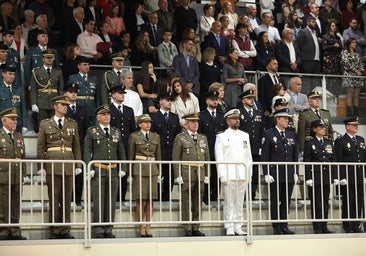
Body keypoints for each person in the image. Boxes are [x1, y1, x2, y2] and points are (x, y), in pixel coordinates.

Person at [37, 95, 82, 239]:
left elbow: (76, 145)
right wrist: (41, 166)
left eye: (66, 105)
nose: (65, 107)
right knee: (54, 198)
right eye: (62, 105)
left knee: (66, 198)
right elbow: (41, 147)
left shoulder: (72, 124)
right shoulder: (45, 124)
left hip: (68, 163)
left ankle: (65, 229)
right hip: (52, 163)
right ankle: (55, 229)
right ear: (55, 106)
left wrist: (78, 162)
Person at [84, 104, 126, 238]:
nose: (107, 116)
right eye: (104, 114)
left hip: (112, 170)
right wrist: (88, 167)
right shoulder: (92, 131)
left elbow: (121, 151)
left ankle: (108, 228)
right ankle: (98, 228)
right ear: (98, 117)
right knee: (98, 200)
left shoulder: (116, 131)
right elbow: (87, 151)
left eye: (108, 114)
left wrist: (123, 168)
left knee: (111, 201)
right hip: (98, 169)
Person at [261, 108, 299, 235]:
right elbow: (265, 156)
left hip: (288, 173)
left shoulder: (291, 134)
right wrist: (266, 173)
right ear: (277, 119)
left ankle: (284, 224)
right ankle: (276, 225)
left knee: (286, 200)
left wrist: (295, 172)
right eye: (284, 118)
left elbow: (295, 156)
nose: (287, 120)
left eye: (287, 118)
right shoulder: (269, 134)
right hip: (275, 173)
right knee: (275, 200)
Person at [215, 108, 252, 236]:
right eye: (234, 119)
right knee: (229, 201)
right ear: (228, 120)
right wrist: (222, 175)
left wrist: (249, 173)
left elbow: (248, 157)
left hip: (242, 173)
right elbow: (219, 157)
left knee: (240, 201)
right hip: (229, 173)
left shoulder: (244, 135)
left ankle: (238, 225)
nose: (237, 120)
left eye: (238, 119)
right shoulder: (221, 136)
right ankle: (229, 226)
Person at [172, 113, 209, 237]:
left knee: (198, 200)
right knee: (186, 201)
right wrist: (178, 175)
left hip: (200, 172)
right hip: (187, 172)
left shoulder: (203, 138)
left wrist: (207, 174)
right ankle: (187, 226)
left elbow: (207, 158)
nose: (195, 124)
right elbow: (176, 158)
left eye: (197, 122)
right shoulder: (181, 137)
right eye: (192, 122)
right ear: (186, 124)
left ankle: (196, 226)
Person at [128, 114, 161, 237]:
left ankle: (148, 225)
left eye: (149, 122)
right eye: (145, 122)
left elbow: (158, 155)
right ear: (140, 124)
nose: (148, 124)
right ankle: (141, 226)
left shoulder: (155, 136)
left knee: (150, 199)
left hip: (152, 169)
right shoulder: (134, 136)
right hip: (139, 168)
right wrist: (130, 173)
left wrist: (159, 171)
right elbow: (131, 155)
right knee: (140, 199)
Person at [304, 119, 336, 234]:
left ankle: (324, 226)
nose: (323, 129)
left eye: (324, 127)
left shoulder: (329, 142)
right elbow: (307, 161)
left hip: (326, 176)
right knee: (316, 202)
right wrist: (308, 177)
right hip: (315, 176)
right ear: (314, 129)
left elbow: (333, 160)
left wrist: (335, 176)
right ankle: (317, 227)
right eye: (321, 127)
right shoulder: (310, 143)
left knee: (325, 202)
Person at [334, 116, 366, 233]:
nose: (356, 127)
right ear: (347, 126)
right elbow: (338, 160)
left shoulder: (361, 139)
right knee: (349, 200)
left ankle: (356, 223)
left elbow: (364, 158)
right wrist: (341, 176)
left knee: (359, 200)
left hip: (359, 175)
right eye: (354, 125)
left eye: (357, 125)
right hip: (348, 176)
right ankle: (347, 224)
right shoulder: (340, 141)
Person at [0, 108, 26, 240]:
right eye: (12, 119)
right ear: (4, 120)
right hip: (3, 176)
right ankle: (3, 231)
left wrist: (24, 174)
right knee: (3, 205)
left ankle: (15, 231)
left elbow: (23, 157)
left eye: (16, 119)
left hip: (17, 175)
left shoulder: (18, 136)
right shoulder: (0, 136)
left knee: (16, 205)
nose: (14, 122)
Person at [150, 93, 181, 201]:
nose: (169, 102)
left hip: (171, 151)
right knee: (158, 176)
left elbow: (178, 135)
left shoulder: (174, 117)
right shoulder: (154, 117)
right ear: (161, 101)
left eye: (170, 100)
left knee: (169, 176)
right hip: (159, 151)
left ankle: (167, 197)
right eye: (167, 100)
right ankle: (157, 197)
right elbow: (152, 135)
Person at [199, 91, 227, 204]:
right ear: (207, 101)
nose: (215, 101)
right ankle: (205, 197)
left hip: (219, 150)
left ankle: (215, 196)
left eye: (216, 99)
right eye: (212, 99)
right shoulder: (201, 115)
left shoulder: (222, 116)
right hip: (206, 149)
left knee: (217, 174)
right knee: (206, 174)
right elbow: (200, 134)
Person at [64, 82, 88, 206]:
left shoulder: (82, 109)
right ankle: (68, 200)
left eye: (75, 92)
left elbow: (85, 129)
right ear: (65, 93)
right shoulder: (62, 109)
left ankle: (77, 200)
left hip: (80, 145)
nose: (73, 94)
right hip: (67, 144)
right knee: (67, 174)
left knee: (79, 174)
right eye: (70, 92)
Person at [238, 89, 264, 200]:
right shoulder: (239, 113)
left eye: (253, 98)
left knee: (255, 172)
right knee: (243, 172)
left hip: (255, 148)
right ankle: (243, 195)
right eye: (249, 98)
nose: (252, 100)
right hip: (243, 148)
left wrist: (261, 146)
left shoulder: (258, 113)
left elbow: (262, 130)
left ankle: (252, 194)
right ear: (243, 100)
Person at [29, 49, 64, 129]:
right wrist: (34, 103)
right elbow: (33, 89)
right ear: (43, 59)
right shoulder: (36, 71)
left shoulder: (58, 72)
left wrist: (60, 102)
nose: (49, 59)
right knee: (42, 126)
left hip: (54, 102)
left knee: (54, 126)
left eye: (51, 57)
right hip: (41, 103)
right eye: (47, 57)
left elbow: (60, 89)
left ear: (54, 58)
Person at [67, 56, 101, 127]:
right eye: (85, 65)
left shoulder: (93, 79)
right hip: (79, 108)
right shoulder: (73, 78)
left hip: (91, 110)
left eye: (88, 65)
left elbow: (97, 97)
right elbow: (68, 94)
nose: (87, 67)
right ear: (79, 66)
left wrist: (98, 110)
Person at [341, 38, 365, 116]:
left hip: (358, 77)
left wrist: (360, 71)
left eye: (355, 42)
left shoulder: (357, 54)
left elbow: (361, 64)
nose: (355, 44)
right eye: (353, 42)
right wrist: (355, 70)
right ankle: (349, 114)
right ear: (349, 44)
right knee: (350, 93)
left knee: (356, 95)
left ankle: (356, 114)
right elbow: (346, 63)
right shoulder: (344, 52)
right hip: (349, 76)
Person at [0, 64, 27, 133]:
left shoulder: (18, 89)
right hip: (3, 125)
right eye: (10, 74)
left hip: (17, 125)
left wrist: (24, 125)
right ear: (3, 74)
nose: (12, 76)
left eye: (14, 74)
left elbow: (23, 108)